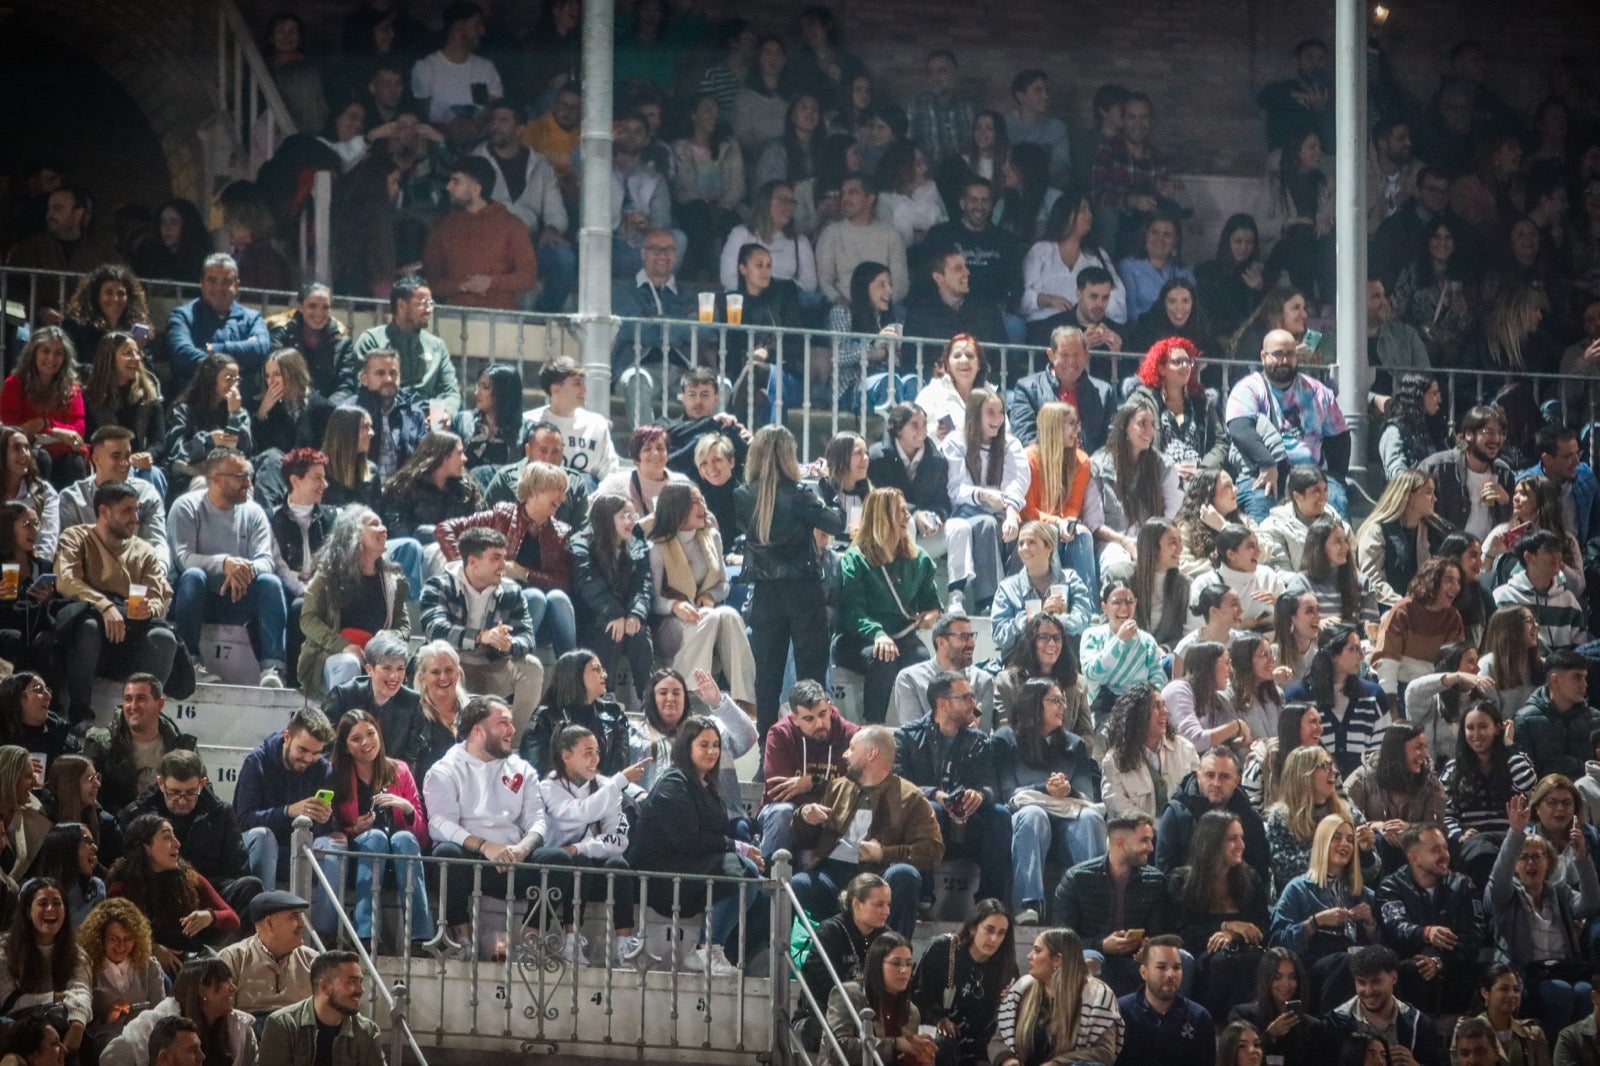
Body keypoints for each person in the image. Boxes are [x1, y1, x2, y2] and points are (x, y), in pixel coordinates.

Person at [627, 714, 766, 974]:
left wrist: (743, 846)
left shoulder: (708, 787)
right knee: (742, 869)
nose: (712, 751)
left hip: (694, 866)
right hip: (661, 875)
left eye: (716, 745)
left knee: (764, 892)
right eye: (704, 745)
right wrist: (739, 848)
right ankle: (706, 947)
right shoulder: (673, 783)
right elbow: (687, 840)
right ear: (686, 747)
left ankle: (726, 952)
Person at [737, 425, 846, 736]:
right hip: (803, 593)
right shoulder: (800, 495)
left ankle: (767, 750)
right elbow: (836, 523)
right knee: (811, 677)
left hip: (765, 595)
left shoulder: (743, 495)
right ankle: (812, 744)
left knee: (767, 678)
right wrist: (828, 485)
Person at [53, 483, 178, 723]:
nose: (135, 519)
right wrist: (104, 605)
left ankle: (143, 721)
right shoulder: (76, 537)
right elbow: (66, 581)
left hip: (131, 632)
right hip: (90, 630)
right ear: (104, 512)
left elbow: (157, 597)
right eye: (127, 511)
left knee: (164, 638)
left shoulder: (145, 551)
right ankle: (81, 718)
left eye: (136, 510)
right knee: (87, 627)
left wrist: (148, 609)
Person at [894, 672, 1012, 913]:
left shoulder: (979, 740)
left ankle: (990, 901)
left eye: (973, 697)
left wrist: (979, 795)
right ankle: (923, 896)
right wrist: (934, 794)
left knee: (1000, 815)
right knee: (931, 809)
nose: (973, 704)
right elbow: (898, 784)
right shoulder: (907, 736)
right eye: (966, 697)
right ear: (942, 703)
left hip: (968, 824)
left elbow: (991, 785)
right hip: (928, 823)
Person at [312, 710, 432, 945]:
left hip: (399, 855)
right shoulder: (336, 774)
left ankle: (421, 937)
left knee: (404, 839)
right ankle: (366, 933)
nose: (366, 743)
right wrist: (355, 829)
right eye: (356, 739)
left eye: (370, 734)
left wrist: (407, 809)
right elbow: (330, 828)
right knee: (375, 836)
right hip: (358, 857)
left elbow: (423, 838)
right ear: (346, 747)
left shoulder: (400, 770)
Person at [1488, 795, 1600, 1041]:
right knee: (1560, 993)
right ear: (1515, 865)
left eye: (1537, 856)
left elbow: (1591, 905)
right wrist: (1515, 834)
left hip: (1564, 969)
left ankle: (1581, 1053)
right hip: (1526, 974)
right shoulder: (1507, 897)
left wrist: (1582, 858)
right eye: (1524, 857)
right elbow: (1497, 882)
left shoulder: (1559, 892)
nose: (1531, 863)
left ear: (1548, 862)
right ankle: (1553, 1053)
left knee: (1584, 992)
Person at [992, 677, 1103, 924]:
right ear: (1034, 703)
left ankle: (1093, 904)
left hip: (1067, 820)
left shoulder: (1074, 744)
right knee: (1033, 814)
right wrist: (1045, 789)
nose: (1062, 706)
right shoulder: (1005, 739)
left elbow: (1086, 794)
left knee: (1091, 818)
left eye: (1063, 700)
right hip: (1025, 823)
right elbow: (1007, 793)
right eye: (1055, 700)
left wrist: (1067, 790)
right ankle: (1027, 904)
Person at [419, 524, 543, 732]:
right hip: (452, 670)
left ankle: (513, 741)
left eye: (504, 557)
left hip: (491, 669)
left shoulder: (512, 591)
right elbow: (435, 629)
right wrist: (480, 637)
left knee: (532, 666)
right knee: (433, 665)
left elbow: (527, 638)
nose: (504, 565)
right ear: (473, 562)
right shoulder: (438, 586)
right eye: (496, 558)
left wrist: (509, 644)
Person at [835, 488, 941, 723]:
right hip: (859, 639)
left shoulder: (919, 559)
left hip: (902, 636)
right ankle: (873, 725)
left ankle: (921, 726)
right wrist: (878, 634)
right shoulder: (856, 558)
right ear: (881, 517)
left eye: (906, 510)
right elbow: (852, 611)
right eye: (900, 511)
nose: (908, 516)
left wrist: (931, 616)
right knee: (883, 657)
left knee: (921, 658)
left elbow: (932, 604)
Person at [1226, 330, 1352, 521]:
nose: (1284, 360)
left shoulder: (1318, 391)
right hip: (1263, 472)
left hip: (1311, 475)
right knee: (1261, 505)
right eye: (1278, 354)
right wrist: (1267, 464)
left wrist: (1335, 477)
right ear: (1263, 356)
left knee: (1336, 502)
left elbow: (1339, 437)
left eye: (1290, 354)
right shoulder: (1248, 388)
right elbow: (1240, 430)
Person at [120, 750, 260, 921]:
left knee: (249, 886)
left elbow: (237, 868)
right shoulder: (138, 814)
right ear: (161, 783)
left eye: (191, 793)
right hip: (158, 892)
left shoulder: (220, 813)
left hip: (208, 891)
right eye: (174, 792)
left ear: (202, 784)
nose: (182, 800)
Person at [1167, 810, 1270, 1020]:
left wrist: (1233, 935)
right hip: (1201, 954)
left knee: (1254, 960)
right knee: (1222, 963)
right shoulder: (1181, 880)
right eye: (1232, 839)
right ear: (1211, 842)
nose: (1241, 845)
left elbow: (1262, 928)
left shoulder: (1250, 879)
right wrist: (1226, 926)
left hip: (1244, 951)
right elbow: (1180, 932)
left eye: (1241, 838)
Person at [1268, 814, 1377, 1010]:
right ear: (1322, 842)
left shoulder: (1363, 893)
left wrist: (1370, 924)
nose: (1344, 844)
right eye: (1336, 837)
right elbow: (1277, 941)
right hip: (1316, 968)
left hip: (1358, 965)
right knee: (1346, 962)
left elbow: (1384, 946)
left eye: (1350, 840)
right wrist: (1314, 922)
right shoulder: (1298, 889)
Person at [1374, 823, 1481, 1014]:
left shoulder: (1462, 885)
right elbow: (1395, 926)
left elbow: (1473, 935)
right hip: (1408, 970)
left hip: (1453, 969)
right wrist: (1426, 933)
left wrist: (1440, 962)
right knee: (1415, 968)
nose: (1445, 855)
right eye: (1436, 850)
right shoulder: (1391, 887)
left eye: (1445, 848)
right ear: (1414, 857)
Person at [105, 815, 238, 960]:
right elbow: (115, 932)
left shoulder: (187, 877)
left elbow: (233, 920)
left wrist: (210, 916)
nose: (177, 844)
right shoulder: (122, 884)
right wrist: (151, 949)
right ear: (147, 847)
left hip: (189, 957)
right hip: (140, 960)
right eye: (167, 837)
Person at [989, 927, 1124, 1066]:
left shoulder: (1097, 996)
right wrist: (1008, 1060)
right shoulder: (1022, 989)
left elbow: (1104, 1052)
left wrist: (1057, 1063)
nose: (1029, 956)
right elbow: (998, 1040)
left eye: (1037, 950)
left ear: (1057, 960)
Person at [233, 707, 335, 891]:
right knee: (264, 837)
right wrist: (288, 811)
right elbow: (244, 821)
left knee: (331, 845)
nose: (308, 758)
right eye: (303, 749)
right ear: (287, 736)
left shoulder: (321, 768)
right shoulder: (257, 762)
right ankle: (266, 906)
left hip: (298, 850)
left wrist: (324, 818)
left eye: (315, 753)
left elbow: (323, 830)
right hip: (260, 849)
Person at [1264, 745, 1379, 894]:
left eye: (1332, 765)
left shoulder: (1349, 813)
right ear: (1304, 774)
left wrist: (1365, 852)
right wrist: (1331, 851)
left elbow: (1372, 873)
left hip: (1346, 898)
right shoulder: (1280, 818)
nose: (1334, 771)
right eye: (1325, 766)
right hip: (1302, 899)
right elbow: (1284, 870)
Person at [99, 957, 254, 1066]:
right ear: (202, 991)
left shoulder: (240, 1028)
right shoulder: (154, 1024)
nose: (233, 989)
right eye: (226, 982)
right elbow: (112, 1057)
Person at [1156, 745, 1273, 886]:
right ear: (1198, 777)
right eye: (1210, 775)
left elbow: (1259, 876)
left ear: (1237, 781)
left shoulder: (1250, 818)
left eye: (1224, 777)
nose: (1216, 783)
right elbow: (1164, 874)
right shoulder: (1177, 814)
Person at [1089, 400, 1182, 574]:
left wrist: (1149, 543)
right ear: (1125, 426)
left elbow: (1171, 515)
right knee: (1118, 565)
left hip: (1152, 541)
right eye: (1142, 424)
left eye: (1153, 424)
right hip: (1113, 542)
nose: (1150, 431)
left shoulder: (1163, 466)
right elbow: (1093, 523)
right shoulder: (1098, 466)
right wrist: (1125, 542)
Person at [80, 675, 192, 816]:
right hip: (117, 824)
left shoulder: (181, 747)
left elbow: (201, 795)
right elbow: (89, 798)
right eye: (128, 699)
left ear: (160, 704)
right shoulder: (100, 744)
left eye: (141, 699)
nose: (133, 706)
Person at [1287, 625, 1391, 776]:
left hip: (1363, 784)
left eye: (1360, 649)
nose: (1361, 656)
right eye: (1353, 649)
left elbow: (1380, 753)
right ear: (1332, 655)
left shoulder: (1373, 695)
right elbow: (1293, 752)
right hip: (1311, 782)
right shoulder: (1298, 697)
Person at [819, 932, 935, 1066]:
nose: (904, 970)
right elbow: (837, 1049)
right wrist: (895, 1044)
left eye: (909, 964)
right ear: (877, 964)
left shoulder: (911, 1011)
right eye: (896, 963)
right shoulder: (848, 994)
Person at [163, 254, 270, 399]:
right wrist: (229, 369)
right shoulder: (182, 316)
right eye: (212, 281)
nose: (219, 288)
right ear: (202, 284)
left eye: (226, 282)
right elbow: (182, 356)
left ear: (237, 285)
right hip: (194, 403)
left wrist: (214, 348)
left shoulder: (252, 319)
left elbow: (261, 348)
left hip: (241, 404)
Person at [1319, 946, 1440, 1066]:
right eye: (1361, 982)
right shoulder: (1333, 1024)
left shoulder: (1420, 1025)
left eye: (1376, 981)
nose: (1368, 991)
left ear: (1393, 978)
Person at [257, 950, 383, 1066]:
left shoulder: (367, 1031)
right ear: (324, 987)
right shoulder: (283, 1025)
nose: (361, 990)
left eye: (360, 981)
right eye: (352, 981)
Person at [1100, 684, 1200, 820]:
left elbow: (1197, 794)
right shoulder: (1114, 760)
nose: (1164, 711)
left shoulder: (1185, 749)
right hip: (1137, 830)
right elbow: (1119, 807)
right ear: (1137, 714)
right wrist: (1152, 826)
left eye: (1164, 705)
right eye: (1155, 706)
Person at [4, 329, 87, 490]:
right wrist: (56, 431)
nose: (51, 358)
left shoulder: (72, 388)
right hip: (30, 450)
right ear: (34, 353)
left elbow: (78, 429)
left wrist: (45, 425)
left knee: (75, 463)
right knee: (41, 459)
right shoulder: (15, 384)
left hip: (63, 452)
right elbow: (11, 428)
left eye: (58, 353)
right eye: (45, 351)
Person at [76, 897, 162, 1051]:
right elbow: (80, 1022)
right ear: (99, 937)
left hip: (145, 1043)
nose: (121, 946)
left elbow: (160, 1017)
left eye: (128, 939)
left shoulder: (150, 966)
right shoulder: (86, 967)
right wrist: (105, 1018)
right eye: (113, 939)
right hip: (102, 1046)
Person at [1370, 559, 1465, 697]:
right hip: (1397, 687)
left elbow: (1453, 663)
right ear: (1432, 581)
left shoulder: (1453, 618)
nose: (1456, 587)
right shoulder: (1403, 611)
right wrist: (1390, 701)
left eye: (1458, 581)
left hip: (1432, 690)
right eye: (1449, 580)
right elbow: (1387, 661)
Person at [1117, 934, 1216, 1066]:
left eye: (1176, 968)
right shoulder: (1120, 1012)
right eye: (1161, 967)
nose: (1170, 974)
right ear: (1144, 972)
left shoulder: (1199, 1017)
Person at [1355, 471, 1448, 610]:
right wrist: (1403, 603)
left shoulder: (1434, 530)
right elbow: (1372, 580)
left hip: (1424, 608)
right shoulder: (1376, 530)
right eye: (1428, 493)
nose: (1434, 499)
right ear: (1409, 497)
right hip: (1385, 608)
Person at [1082, 580, 1167, 730]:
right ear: (1104, 607)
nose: (1124, 608)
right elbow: (1092, 673)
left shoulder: (1146, 641)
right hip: (1105, 711)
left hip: (1140, 710)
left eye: (1129, 602)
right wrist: (1119, 641)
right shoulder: (1092, 636)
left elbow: (1158, 677)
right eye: (1116, 602)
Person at [214, 891, 314, 1016]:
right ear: (269, 923)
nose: (302, 923)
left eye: (300, 915)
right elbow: (220, 1013)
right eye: (294, 916)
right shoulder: (232, 958)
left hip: (299, 1026)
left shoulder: (311, 960)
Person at [816, 174, 909, 307]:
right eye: (843, 193)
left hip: (884, 306)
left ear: (870, 199)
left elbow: (900, 282)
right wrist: (840, 301)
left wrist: (882, 303)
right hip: (845, 307)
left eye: (852, 193)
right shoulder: (831, 233)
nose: (845, 199)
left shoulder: (890, 235)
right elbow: (824, 281)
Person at [1494, 531, 1588, 651]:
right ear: (1528, 557)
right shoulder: (1505, 597)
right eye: (1549, 551)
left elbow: (1580, 649)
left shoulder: (1568, 600)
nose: (1557, 556)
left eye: (1558, 550)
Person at [165, 353, 253, 481]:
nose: (234, 385)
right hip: (192, 476)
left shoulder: (239, 412)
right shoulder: (184, 410)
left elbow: (243, 450)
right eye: (228, 378)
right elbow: (177, 452)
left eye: (237, 379)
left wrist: (234, 415)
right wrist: (208, 440)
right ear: (211, 378)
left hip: (228, 475)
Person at [1515, 651, 1600, 780]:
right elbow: (1523, 774)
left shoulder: (1595, 719)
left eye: (1585, 677)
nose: (1584, 684)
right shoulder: (1525, 720)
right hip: (1542, 791)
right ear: (1555, 680)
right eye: (1577, 677)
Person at [904, 244, 1008, 348]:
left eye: (965, 267)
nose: (967, 272)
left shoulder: (987, 311)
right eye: (958, 269)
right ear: (938, 278)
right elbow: (910, 356)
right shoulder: (919, 316)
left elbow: (1003, 354)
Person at [1227, 949, 1314, 1066]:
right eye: (1278, 977)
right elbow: (1233, 1057)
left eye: (1292, 977)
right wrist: (1270, 1035)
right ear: (1266, 979)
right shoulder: (1243, 1015)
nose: (1286, 984)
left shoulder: (1311, 1027)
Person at [1472, 966, 1548, 1066]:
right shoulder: (1469, 1031)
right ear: (1485, 993)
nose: (1512, 995)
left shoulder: (1533, 1033)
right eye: (1504, 989)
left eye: (1516, 989)